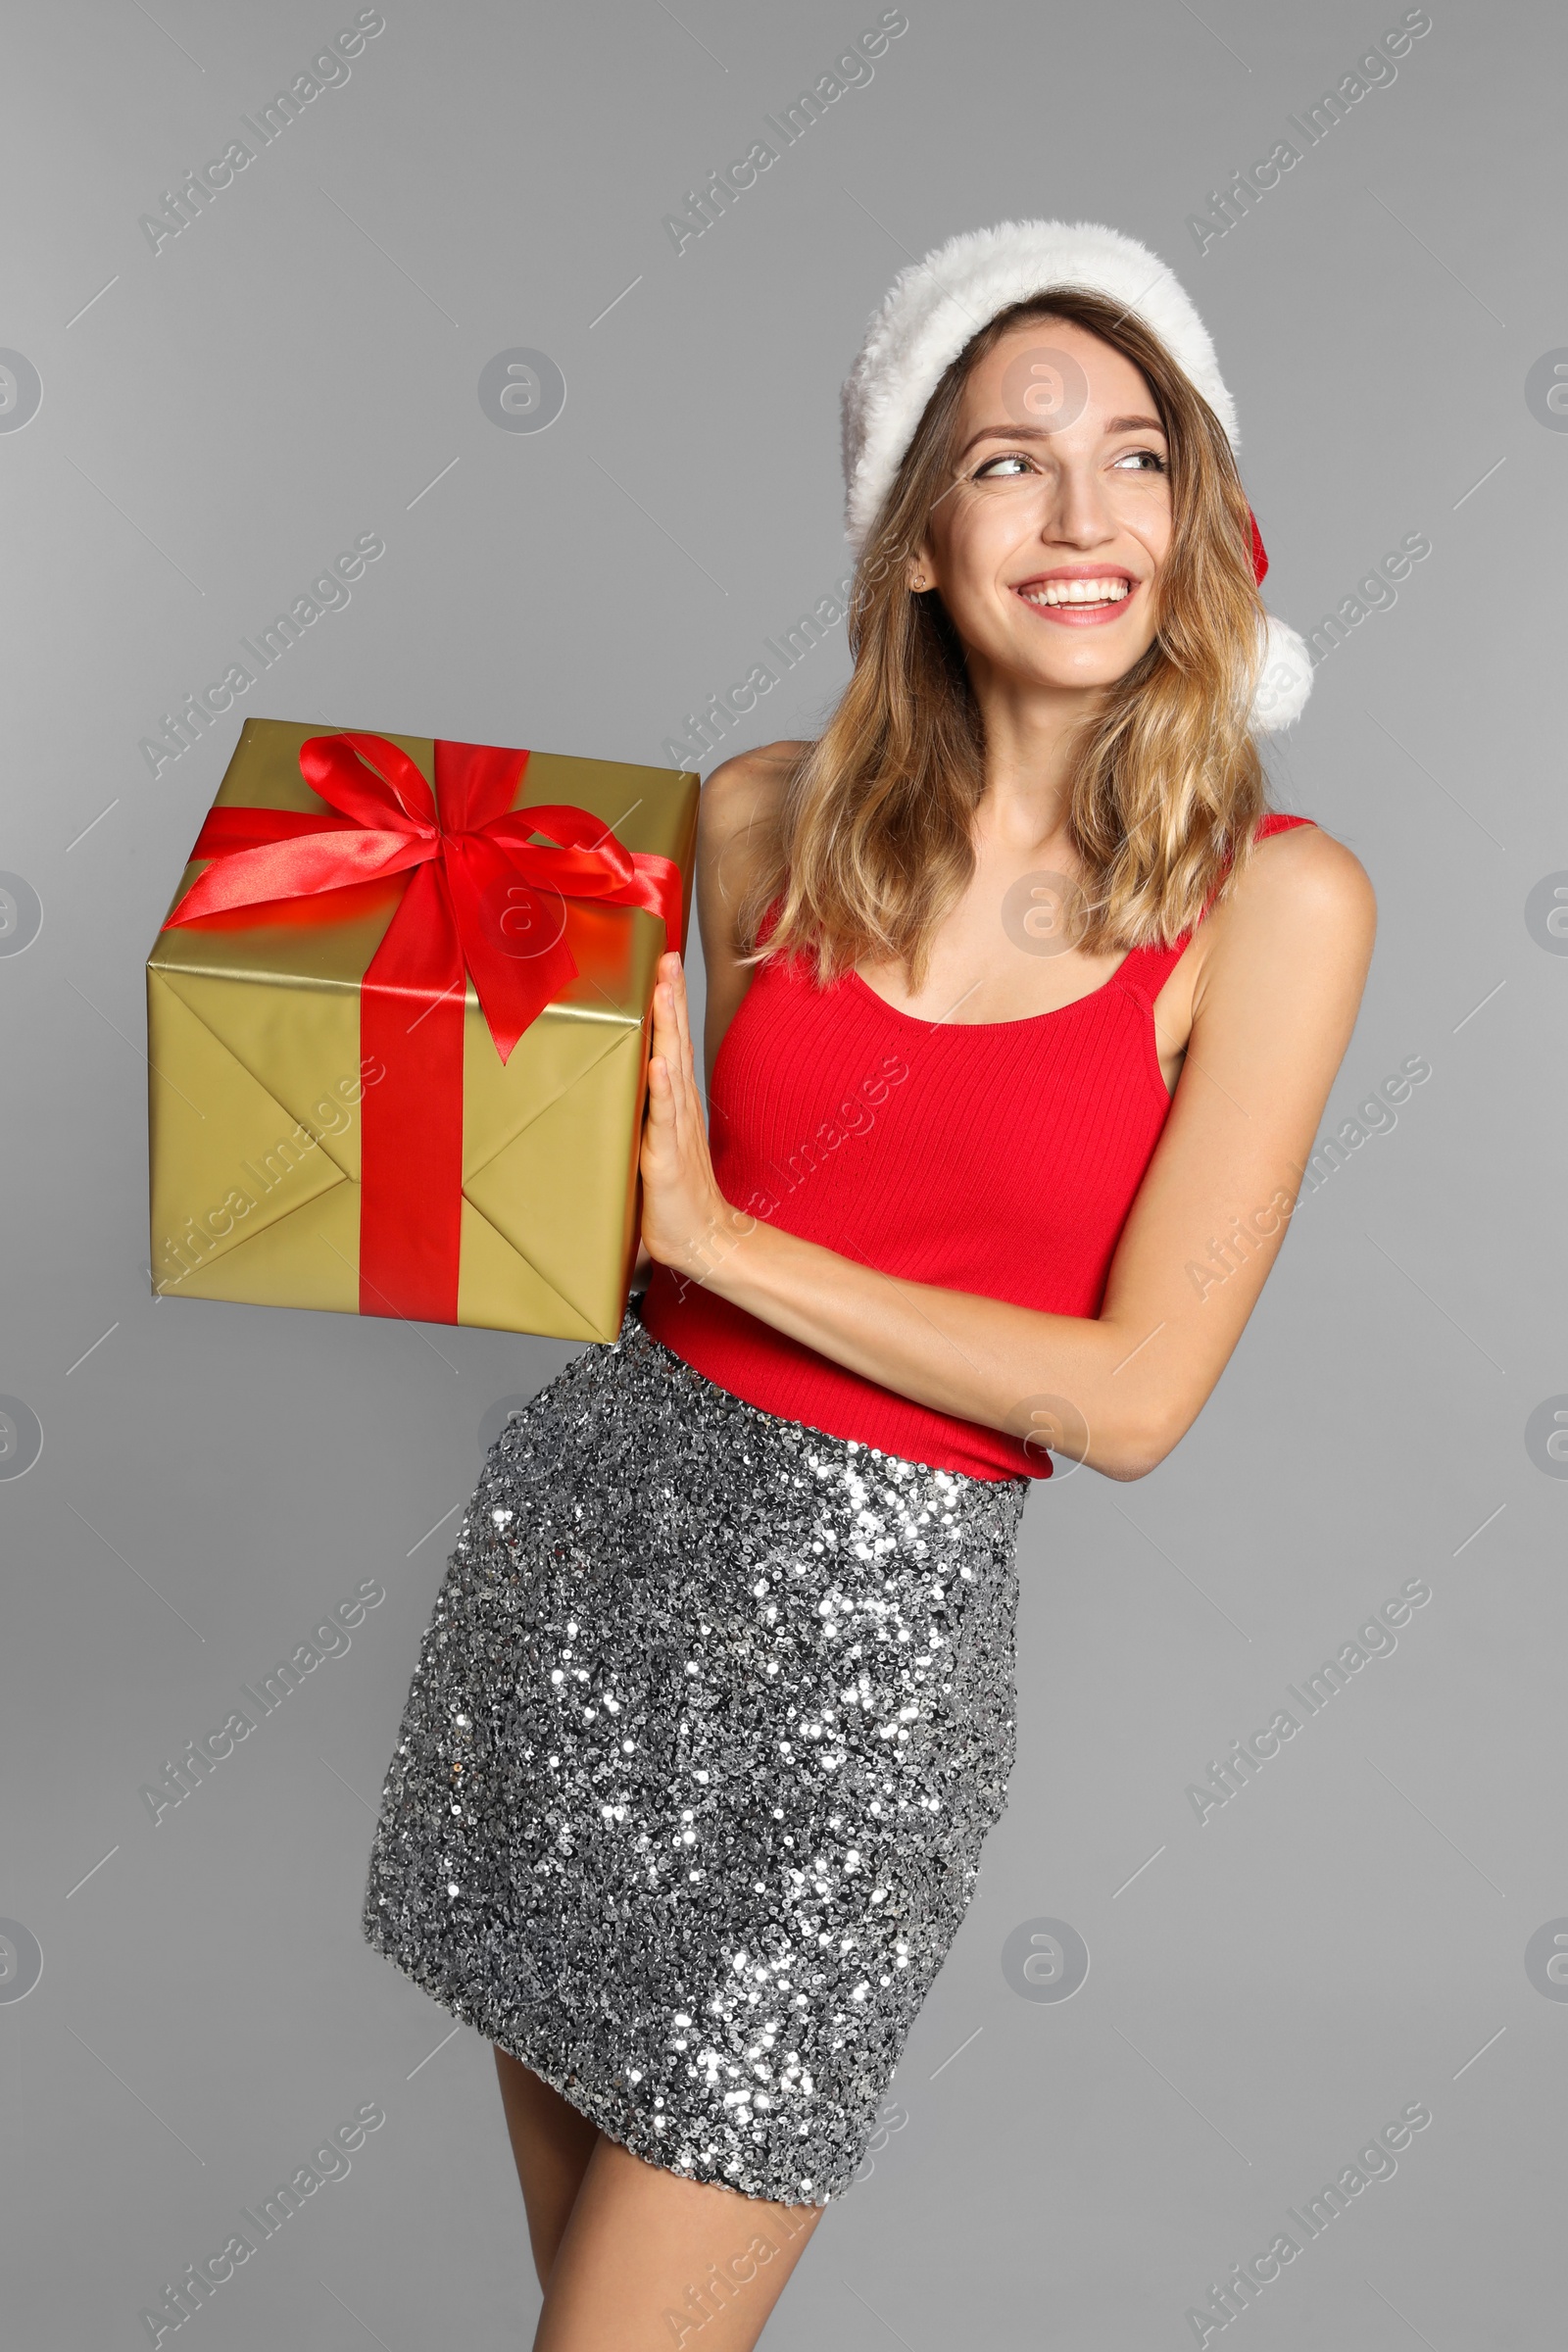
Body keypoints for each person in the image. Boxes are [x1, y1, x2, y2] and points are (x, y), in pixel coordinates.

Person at [362, 220, 1375, 2349]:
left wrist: (725, 1239)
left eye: (1132, 455)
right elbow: (554, 1191)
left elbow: (1127, 1400)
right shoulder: (748, 828)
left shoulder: (1271, 906)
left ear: (1194, 516)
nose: (1080, 513)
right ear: (912, 536)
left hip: (861, 1689)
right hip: (576, 1590)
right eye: (1006, 462)